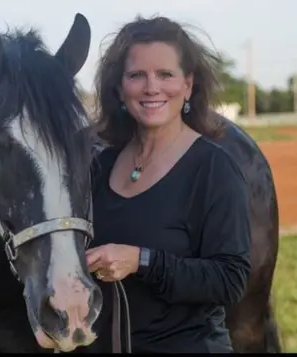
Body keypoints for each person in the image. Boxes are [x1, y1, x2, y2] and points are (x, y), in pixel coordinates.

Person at [81, 15, 252, 353]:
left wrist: (141, 261)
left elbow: (230, 280)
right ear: (119, 88)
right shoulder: (99, 166)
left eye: (165, 74)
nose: (151, 88)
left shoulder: (214, 169)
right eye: (136, 75)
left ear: (188, 85)